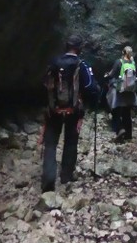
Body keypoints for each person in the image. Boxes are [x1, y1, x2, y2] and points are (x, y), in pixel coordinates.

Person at [41, 34, 100, 192]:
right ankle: (66, 175)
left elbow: (44, 84)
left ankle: (48, 180)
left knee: (51, 144)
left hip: (54, 110)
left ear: (66, 47)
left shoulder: (53, 62)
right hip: (73, 110)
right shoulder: (82, 64)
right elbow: (90, 86)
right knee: (70, 142)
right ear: (79, 48)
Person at [105, 45, 137, 142]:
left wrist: (107, 75)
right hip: (130, 91)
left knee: (115, 111)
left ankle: (120, 129)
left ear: (122, 53)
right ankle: (128, 135)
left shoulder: (119, 62)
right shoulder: (133, 63)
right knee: (127, 113)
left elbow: (112, 74)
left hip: (119, 90)